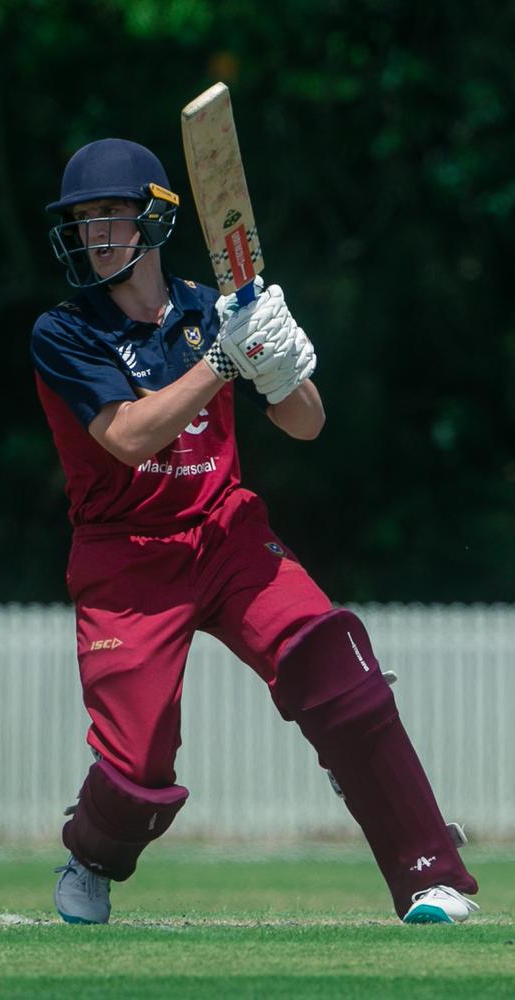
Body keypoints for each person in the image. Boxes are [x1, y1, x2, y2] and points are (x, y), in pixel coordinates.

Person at [30, 137, 479, 926]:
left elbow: (308, 425)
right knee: (139, 775)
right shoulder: (64, 334)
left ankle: (428, 876)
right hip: (126, 558)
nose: (96, 234)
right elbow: (130, 437)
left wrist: (284, 367)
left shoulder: (212, 310)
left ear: (153, 223)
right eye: (84, 220)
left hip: (226, 530)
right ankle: (92, 853)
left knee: (342, 674)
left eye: (111, 216)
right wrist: (226, 361)